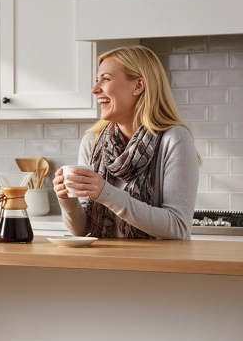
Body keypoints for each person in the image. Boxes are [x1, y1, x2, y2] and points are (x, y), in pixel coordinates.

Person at [55, 45, 200, 239]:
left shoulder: (174, 139)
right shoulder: (92, 142)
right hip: (104, 263)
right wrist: (66, 199)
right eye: (97, 80)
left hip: (159, 266)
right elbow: (83, 231)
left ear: (138, 86)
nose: (95, 89)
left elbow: (177, 227)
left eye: (106, 79)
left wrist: (106, 193)